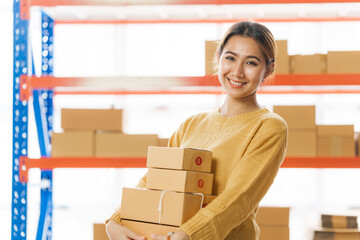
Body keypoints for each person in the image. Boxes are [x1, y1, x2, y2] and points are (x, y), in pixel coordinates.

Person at [106, 21, 288, 240]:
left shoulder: (269, 127)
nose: (237, 71)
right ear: (218, 59)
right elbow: (154, 181)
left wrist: (188, 235)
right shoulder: (191, 124)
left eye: (251, 62)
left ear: (269, 68)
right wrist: (116, 220)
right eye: (230, 58)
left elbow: (238, 199)